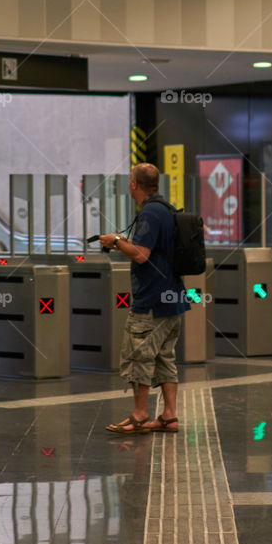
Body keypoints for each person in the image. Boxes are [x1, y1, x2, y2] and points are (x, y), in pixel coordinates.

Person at [100, 163, 189, 434]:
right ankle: (170, 416)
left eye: (130, 179)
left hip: (151, 300)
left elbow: (141, 254)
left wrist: (115, 241)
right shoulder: (167, 209)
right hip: (172, 297)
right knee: (164, 358)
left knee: (139, 355)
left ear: (135, 185)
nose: (129, 183)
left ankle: (139, 415)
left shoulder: (150, 213)